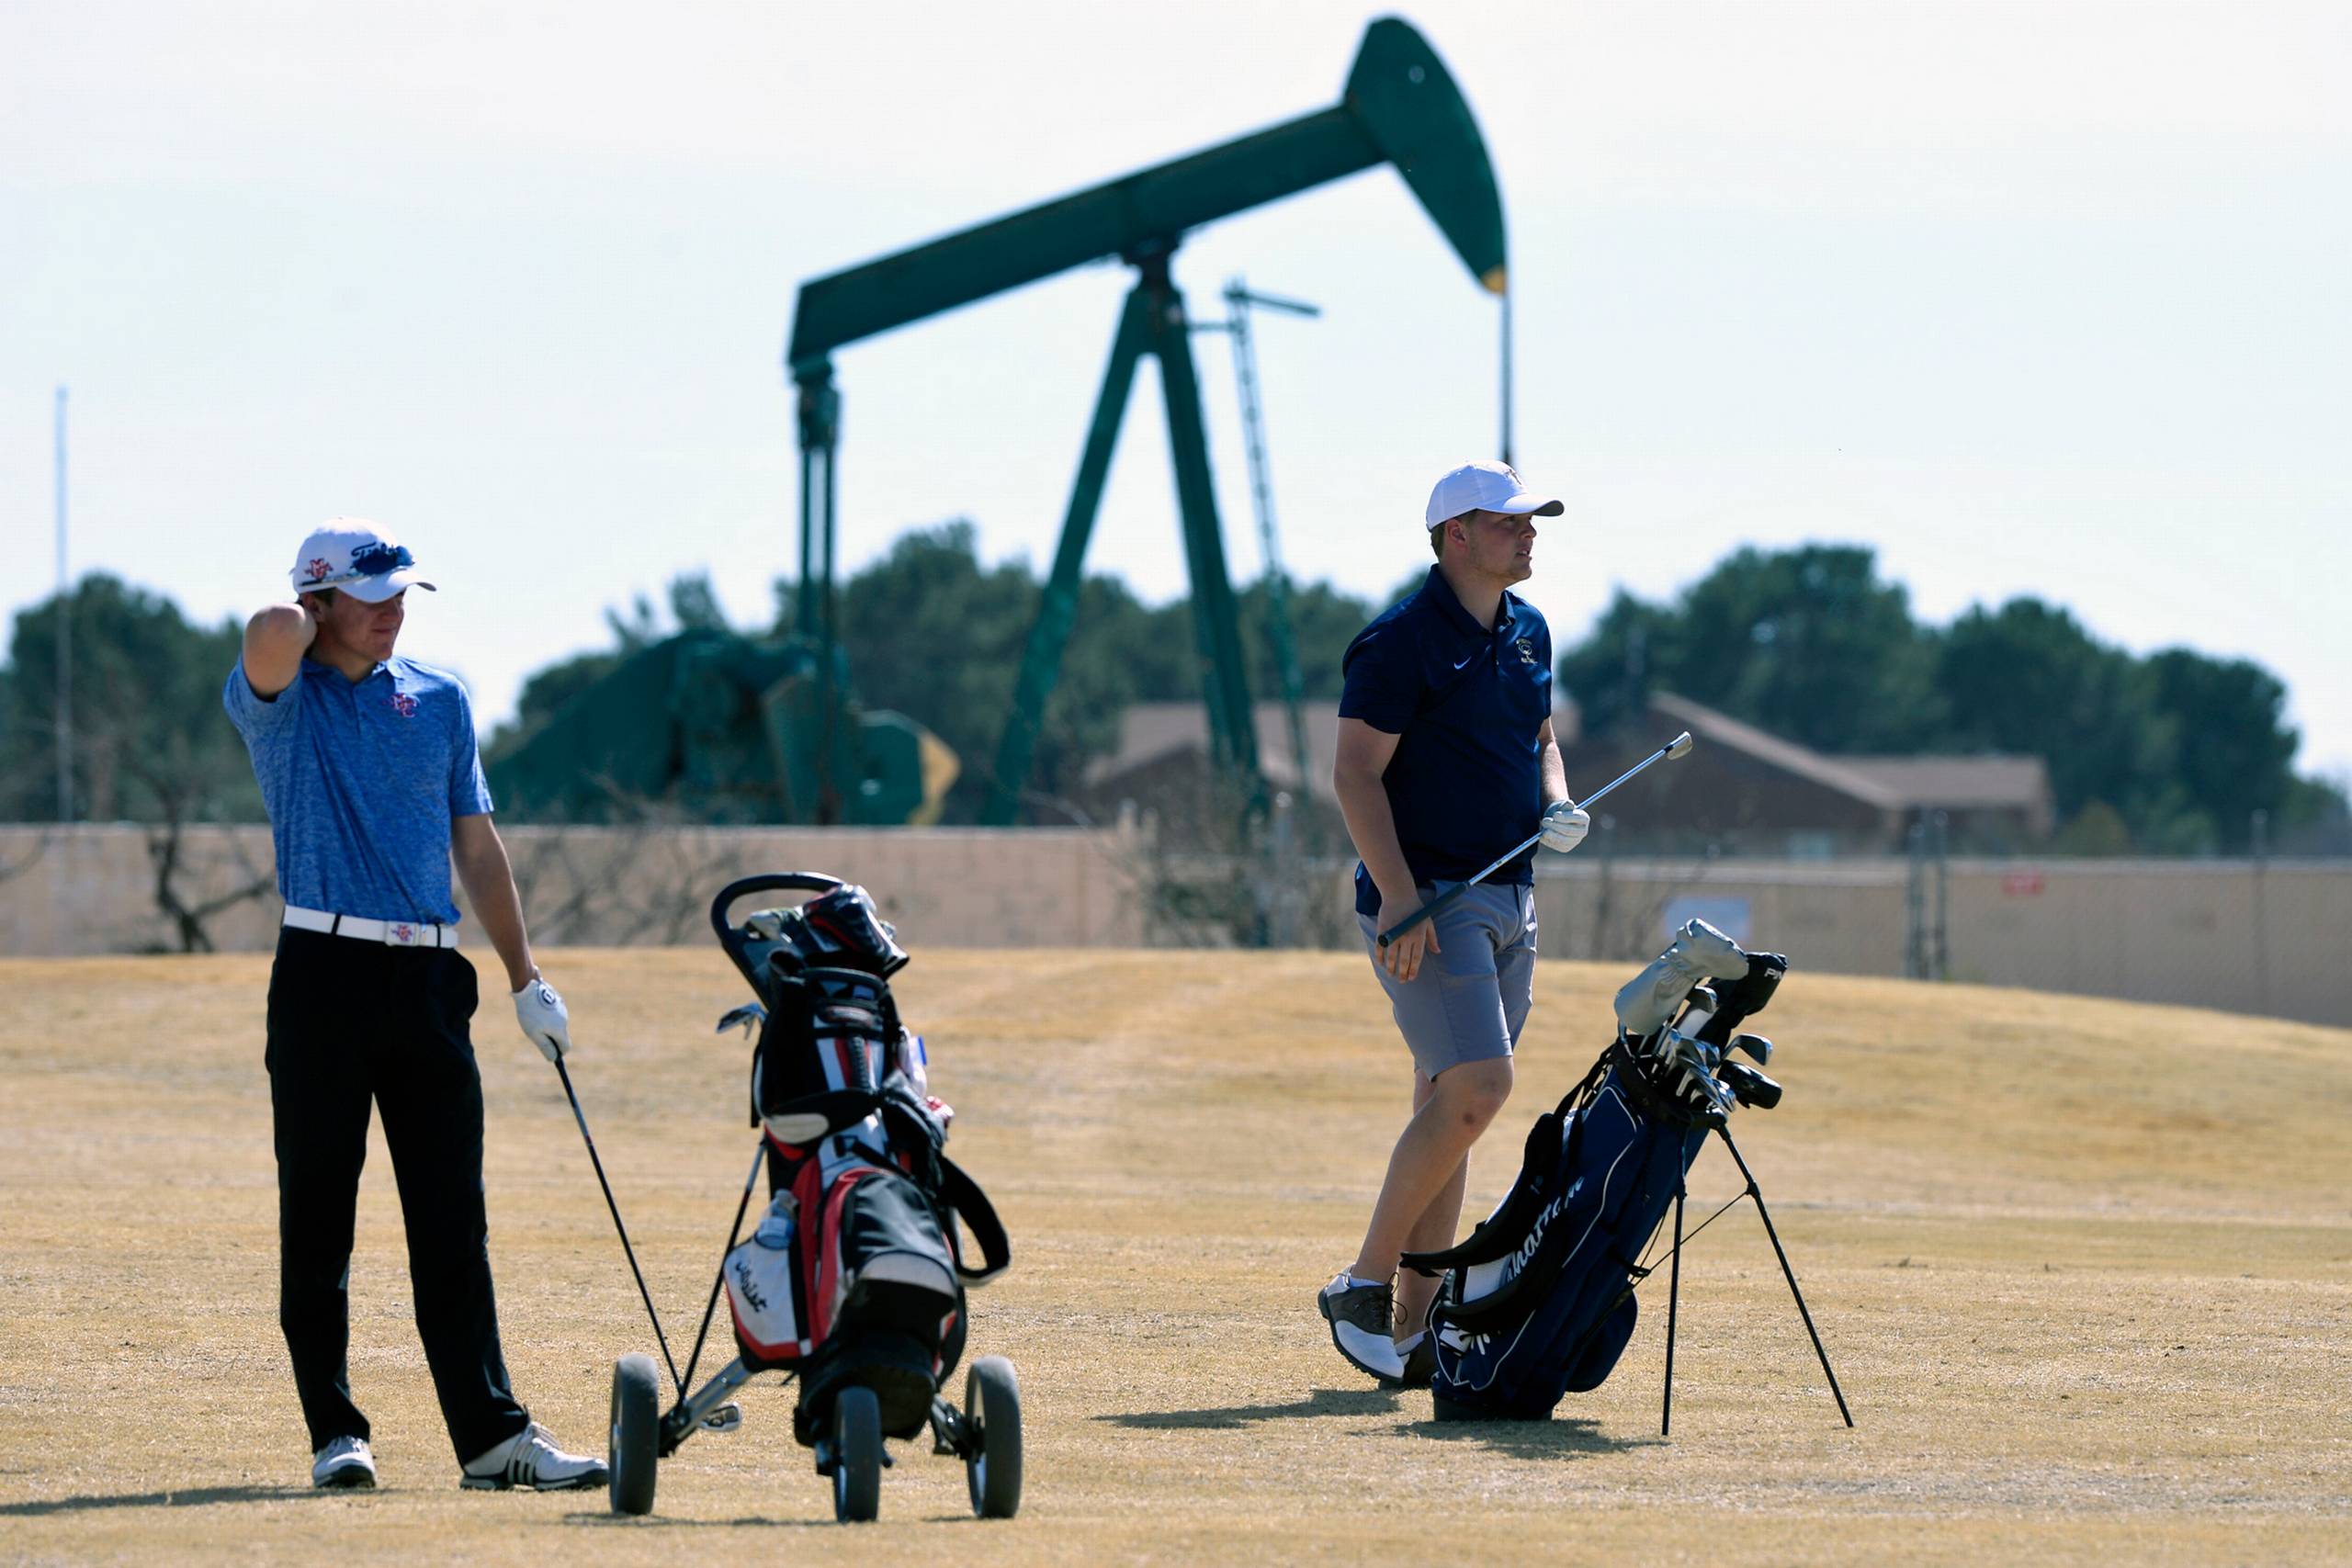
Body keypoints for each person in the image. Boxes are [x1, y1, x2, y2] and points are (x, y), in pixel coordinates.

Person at [222, 521, 607, 1492]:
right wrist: (311, 611)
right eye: (372, 595)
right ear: (320, 604)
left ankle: (492, 1441)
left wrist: (524, 977)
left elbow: (476, 846)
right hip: (323, 972)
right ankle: (336, 1433)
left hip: (430, 978)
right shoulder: (284, 702)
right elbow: (266, 633)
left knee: (451, 1222)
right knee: (320, 1216)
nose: (395, 609)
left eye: (402, 592)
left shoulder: (440, 699)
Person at [1317, 461, 1591, 1385]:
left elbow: (1541, 740)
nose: (1529, 532)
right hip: (1430, 905)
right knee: (1479, 1089)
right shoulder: (1397, 643)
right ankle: (1360, 1286)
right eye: (1509, 522)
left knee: (1452, 1104)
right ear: (1455, 536)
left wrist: (1556, 799)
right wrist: (1400, 899)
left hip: (1512, 894)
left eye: (1531, 520)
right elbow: (1354, 774)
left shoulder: (1529, 629)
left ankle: (1412, 1327)